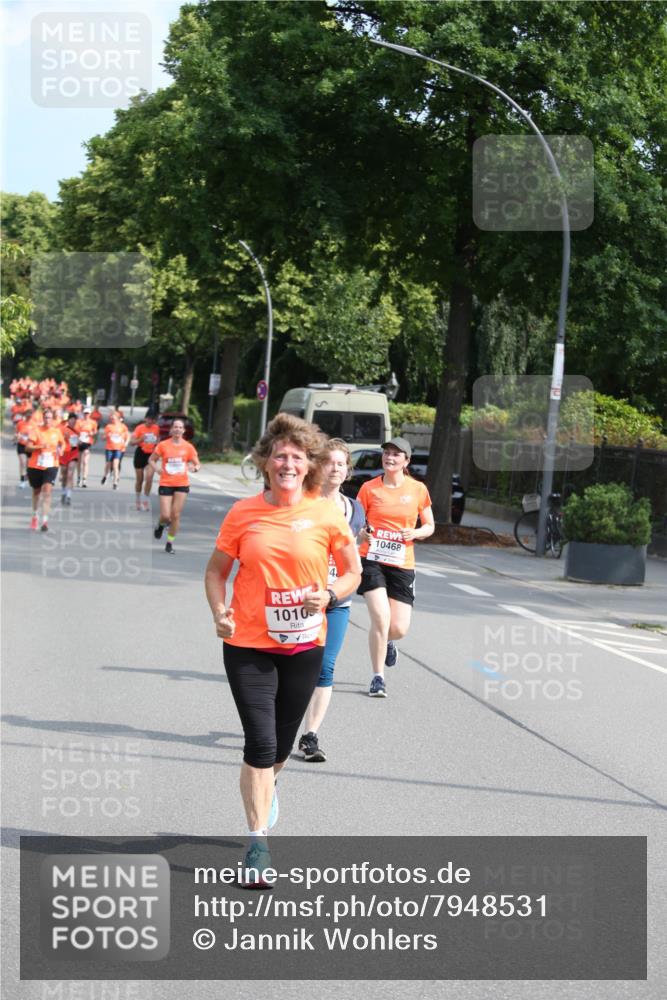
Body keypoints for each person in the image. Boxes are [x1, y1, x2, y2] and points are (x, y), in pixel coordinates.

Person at [204, 414, 361, 885]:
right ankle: (257, 845)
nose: (287, 463)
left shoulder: (326, 514)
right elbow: (216, 571)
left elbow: (351, 571)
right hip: (248, 643)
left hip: (304, 644)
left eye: (296, 457)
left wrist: (331, 596)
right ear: (266, 463)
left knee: (281, 747)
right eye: (279, 456)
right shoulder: (243, 513)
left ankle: (268, 785)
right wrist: (220, 611)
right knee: (261, 741)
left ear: (308, 465)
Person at [298, 438, 365, 763]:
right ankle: (281, 720)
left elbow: (353, 552)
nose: (336, 468)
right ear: (318, 468)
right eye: (330, 463)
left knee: (326, 667)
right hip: (298, 600)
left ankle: (310, 736)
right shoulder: (304, 503)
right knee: (293, 666)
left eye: (341, 463)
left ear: (347, 470)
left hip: (337, 598)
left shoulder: (355, 508)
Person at [357, 437, 434, 698]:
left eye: (396, 455)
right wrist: (362, 534)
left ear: (406, 461)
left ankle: (388, 641)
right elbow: (356, 523)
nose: (390, 458)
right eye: (387, 453)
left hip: (402, 563)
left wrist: (414, 533)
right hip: (372, 559)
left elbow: (430, 526)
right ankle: (378, 677)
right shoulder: (369, 488)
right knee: (380, 617)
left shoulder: (418, 489)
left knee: (398, 628)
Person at [148, 418, 200, 553]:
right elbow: (151, 459)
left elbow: (197, 464)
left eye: (180, 427)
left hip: (182, 483)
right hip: (166, 482)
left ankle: (169, 543)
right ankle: (160, 525)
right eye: (175, 427)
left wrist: (194, 468)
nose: (177, 429)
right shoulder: (163, 445)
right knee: (166, 515)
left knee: (175, 515)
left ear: (183, 431)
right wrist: (157, 468)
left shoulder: (188, 447)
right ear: (171, 430)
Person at [24, 409, 66, 531]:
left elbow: (62, 444)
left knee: (47, 491)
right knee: (36, 491)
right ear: (43, 418)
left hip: (51, 464)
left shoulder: (56, 432)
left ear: (52, 419)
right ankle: (35, 516)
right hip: (35, 465)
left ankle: (45, 520)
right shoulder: (36, 431)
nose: (47, 419)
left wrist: (61, 449)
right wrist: (40, 446)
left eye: (49, 417)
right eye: (45, 417)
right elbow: (27, 447)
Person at [130, 411, 161, 510]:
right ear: (145, 419)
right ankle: (138, 500)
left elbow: (159, 441)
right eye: (149, 419)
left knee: (149, 479)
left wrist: (157, 443)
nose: (151, 421)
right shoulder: (139, 428)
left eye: (153, 420)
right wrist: (141, 439)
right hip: (140, 453)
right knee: (140, 480)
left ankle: (145, 500)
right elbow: (132, 442)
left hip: (151, 455)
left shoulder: (156, 428)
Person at [101, 413, 129, 489]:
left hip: (119, 448)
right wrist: (107, 436)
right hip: (109, 448)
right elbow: (102, 438)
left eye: (113, 418)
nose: (112, 419)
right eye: (111, 418)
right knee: (108, 464)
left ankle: (115, 482)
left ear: (117, 418)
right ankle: (105, 475)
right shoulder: (108, 427)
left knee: (115, 464)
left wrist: (126, 443)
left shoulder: (123, 427)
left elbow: (127, 435)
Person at [59, 413, 80, 505]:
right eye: (71, 419)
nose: (73, 421)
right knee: (64, 474)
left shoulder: (78, 430)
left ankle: (68, 495)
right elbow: (58, 441)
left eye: (74, 420)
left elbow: (79, 442)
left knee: (70, 474)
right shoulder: (62, 429)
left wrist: (80, 442)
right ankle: (64, 492)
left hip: (73, 454)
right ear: (68, 420)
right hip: (64, 454)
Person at [75, 406, 98, 487]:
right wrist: (78, 438)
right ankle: (78, 478)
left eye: (88, 413)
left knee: (85, 461)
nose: (86, 415)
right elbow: (76, 431)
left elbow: (95, 431)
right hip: (80, 442)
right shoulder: (79, 422)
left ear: (90, 414)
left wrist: (92, 434)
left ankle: (84, 479)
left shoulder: (93, 422)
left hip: (87, 442)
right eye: (85, 413)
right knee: (79, 462)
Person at [14, 405, 34, 489]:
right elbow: (16, 434)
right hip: (21, 445)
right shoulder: (20, 423)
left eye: (30, 415)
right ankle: (22, 480)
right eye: (27, 415)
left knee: (28, 464)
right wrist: (17, 436)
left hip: (30, 446)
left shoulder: (34, 424)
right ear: (25, 415)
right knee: (22, 462)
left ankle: (27, 476)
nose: (29, 416)